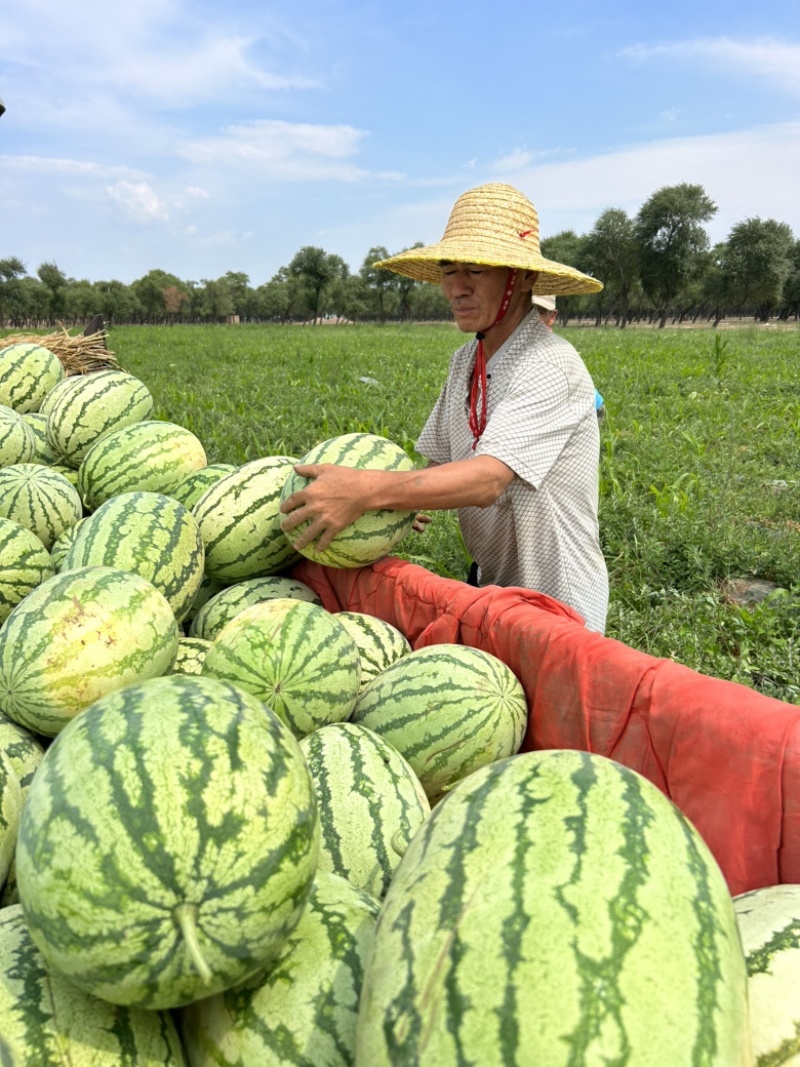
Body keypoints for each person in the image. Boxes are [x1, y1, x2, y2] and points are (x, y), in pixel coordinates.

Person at [280, 182, 609, 633]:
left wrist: (368, 490)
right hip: (495, 588)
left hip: (557, 598)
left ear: (525, 278)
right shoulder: (465, 362)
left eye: (476, 271)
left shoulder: (551, 365)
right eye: (449, 270)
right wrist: (396, 503)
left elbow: (487, 479)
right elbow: (441, 459)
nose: (457, 287)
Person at [533, 293, 606, 421]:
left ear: (552, 316)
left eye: (540, 311)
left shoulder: (550, 351)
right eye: (528, 310)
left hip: (590, 409)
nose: (533, 317)